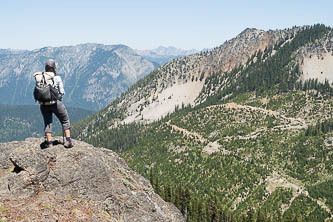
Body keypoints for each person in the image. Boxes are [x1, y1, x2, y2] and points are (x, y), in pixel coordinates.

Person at [39, 59, 73, 149]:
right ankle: (68, 140)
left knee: (48, 123)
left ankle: (49, 143)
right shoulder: (57, 78)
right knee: (65, 120)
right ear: (54, 68)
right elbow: (62, 92)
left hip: (44, 105)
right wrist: (58, 96)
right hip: (55, 103)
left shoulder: (41, 78)